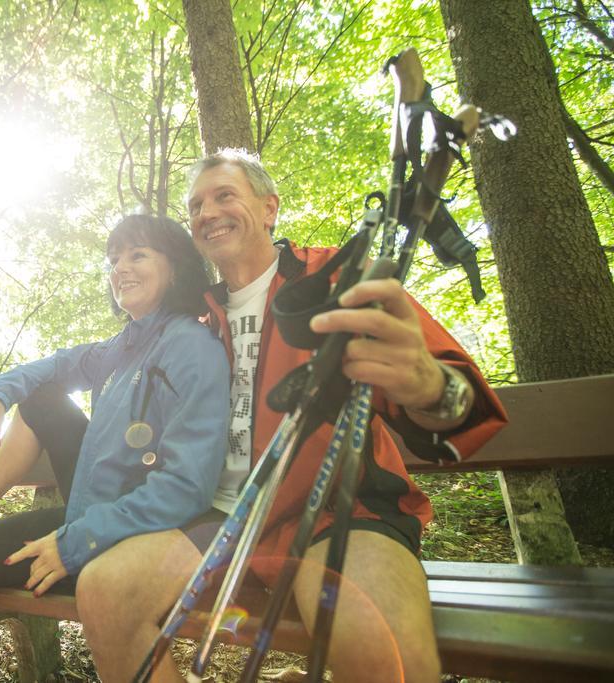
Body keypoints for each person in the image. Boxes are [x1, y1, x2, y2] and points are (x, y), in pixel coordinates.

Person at [70, 149, 508, 683]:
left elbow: (459, 404)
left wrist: (428, 386)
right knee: (104, 590)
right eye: (196, 206)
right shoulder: (195, 318)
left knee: (384, 651)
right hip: (218, 521)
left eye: (224, 195)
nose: (207, 212)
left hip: (340, 513)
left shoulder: (340, 277)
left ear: (270, 207)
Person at [0, 214, 231, 683]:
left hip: (125, 538)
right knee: (40, 397)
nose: (121, 268)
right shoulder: (122, 347)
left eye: (138, 255)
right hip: (90, 515)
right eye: (114, 259)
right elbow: (53, 367)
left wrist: (76, 541)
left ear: (175, 267)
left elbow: (186, 486)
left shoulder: (190, 346)